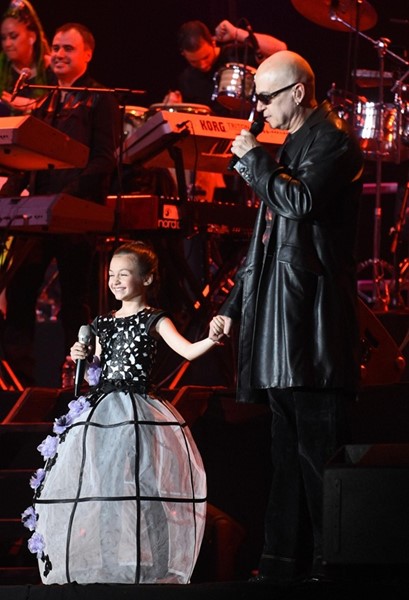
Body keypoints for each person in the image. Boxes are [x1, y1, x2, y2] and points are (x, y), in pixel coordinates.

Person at [211, 50, 364, 584]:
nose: (258, 108)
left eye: (265, 97)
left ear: (298, 92)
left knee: (319, 456)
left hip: (313, 326)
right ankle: (282, 565)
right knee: (284, 454)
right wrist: (232, 307)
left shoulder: (334, 141)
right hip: (280, 322)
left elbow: (300, 204)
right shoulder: (291, 146)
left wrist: (255, 159)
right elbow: (266, 241)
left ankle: (331, 566)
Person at [21, 240, 225, 584]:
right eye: (111, 274)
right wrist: (81, 354)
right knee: (103, 486)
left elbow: (188, 352)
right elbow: (95, 364)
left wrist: (213, 338)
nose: (115, 281)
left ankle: (157, 564)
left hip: (139, 409)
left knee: (146, 486)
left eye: (123, 274)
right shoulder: (103, 323)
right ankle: (109, 562)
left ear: (147, 278)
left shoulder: (155, 319)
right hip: (103, 411)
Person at [0, 22, 121, 386]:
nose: (59, 54)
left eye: (68, 48)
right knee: (20, 291)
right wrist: (9, 195)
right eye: (55, 47)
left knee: (75, 300)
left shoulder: (100, 99)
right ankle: (19, 384)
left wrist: (68, 195)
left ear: (88, 54)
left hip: (75, 213)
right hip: (38, 214)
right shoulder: (46, 100)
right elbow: (28, 158)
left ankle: (81, 380)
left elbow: (104, 160)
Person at [165, 19, 287, 116]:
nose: (203, 65)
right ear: (183, 54)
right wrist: (176, 106)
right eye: (194, 62)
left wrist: (236, 33)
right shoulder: (186, 79)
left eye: (206, 57)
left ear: (213, 42)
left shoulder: (234, 53)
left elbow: (281, 49)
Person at [0, 0, 51, 115]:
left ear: (32, 37)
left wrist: (29, 105)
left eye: (13, 36)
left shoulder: (51, 69)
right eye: (3, 38)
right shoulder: (2, 69)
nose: (7, 44)